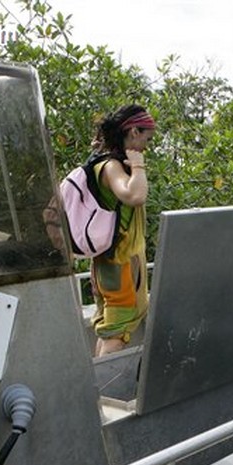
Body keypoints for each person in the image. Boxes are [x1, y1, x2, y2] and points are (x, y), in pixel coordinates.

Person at [89, 104, 156, 357]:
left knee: (110, 330)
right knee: (116, 334)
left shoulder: (107, 162)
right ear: (133, 131)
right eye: (146, 139)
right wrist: (138, 166)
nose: (146, 147)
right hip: (118, 264)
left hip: (112, 263)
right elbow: (134, 195)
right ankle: (103, 395)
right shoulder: (110, 167)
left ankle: (97, 391)